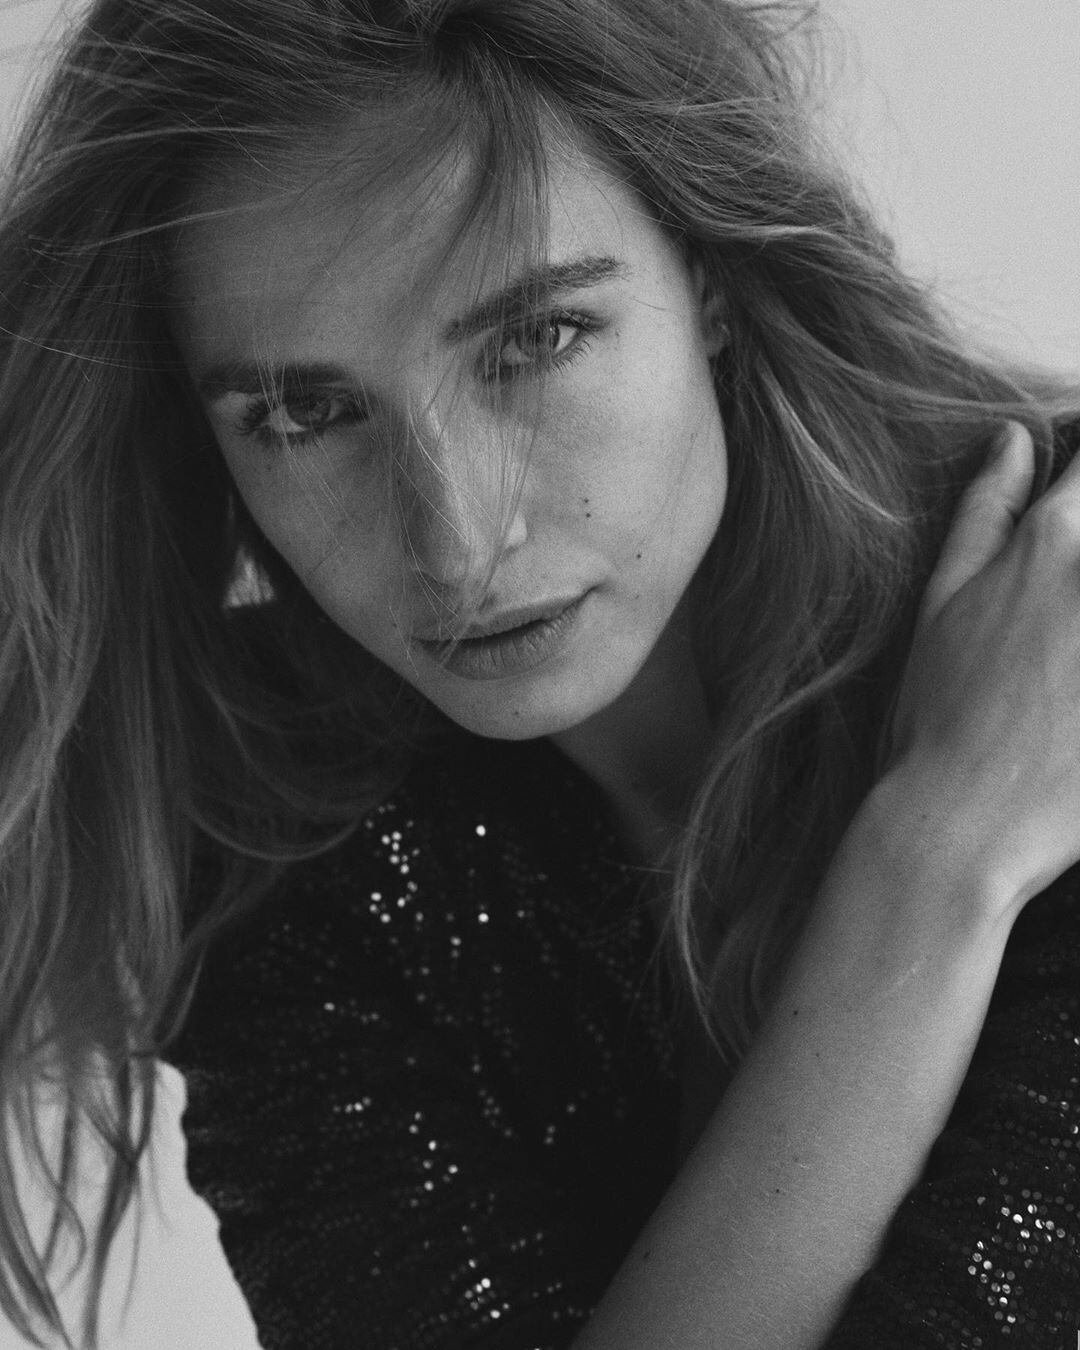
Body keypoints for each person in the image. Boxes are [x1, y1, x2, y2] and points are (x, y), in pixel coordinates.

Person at [0, 0, 1077, 1346]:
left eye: (537, 340)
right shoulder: (285, 841)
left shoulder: (1056, 629)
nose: (457, 545)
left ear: (709, 273)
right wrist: (935, 858)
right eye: (305, 412)